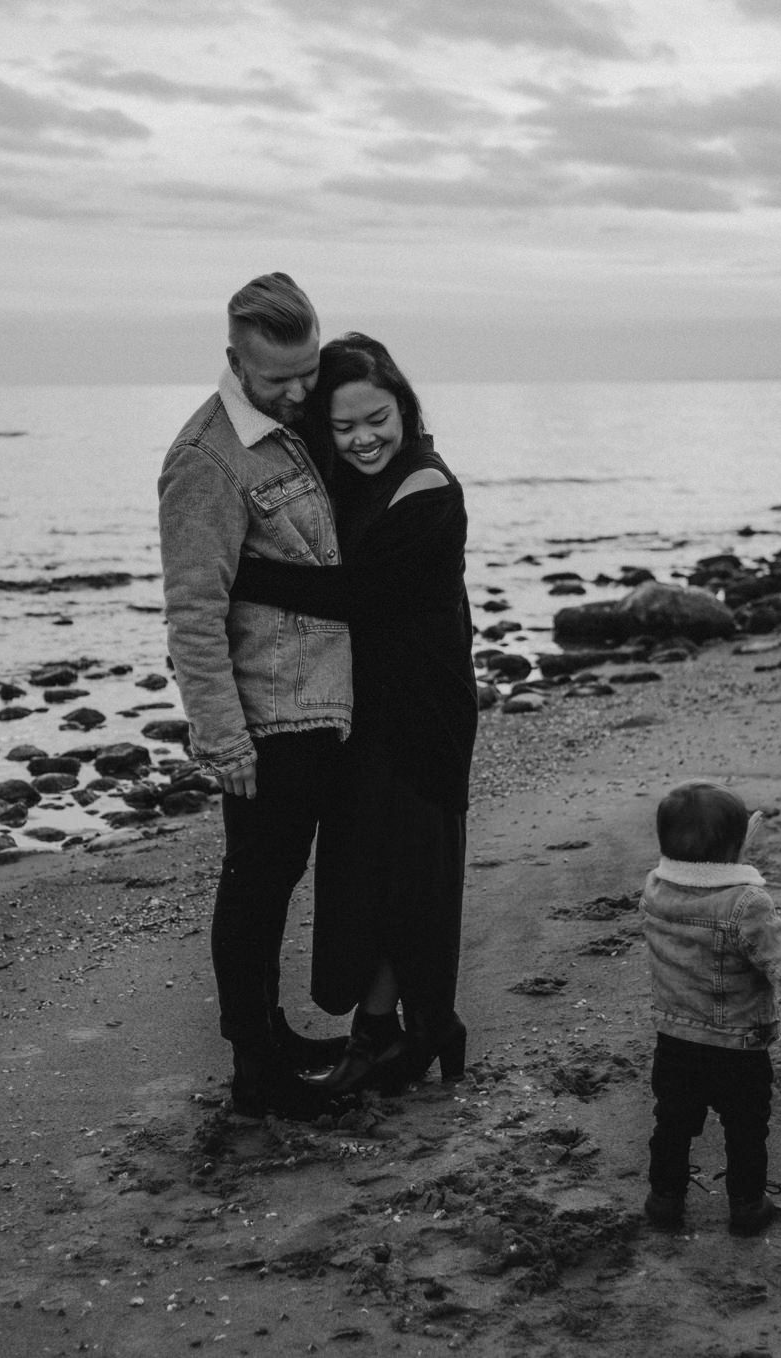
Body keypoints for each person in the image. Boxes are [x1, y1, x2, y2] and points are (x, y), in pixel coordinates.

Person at [228, 334, 478, 1094]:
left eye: (379, 418)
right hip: (362, 706)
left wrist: (241, 569)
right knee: (368, 876)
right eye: (344, 427)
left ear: (403, 405)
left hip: (424, 710)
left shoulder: (428, 488)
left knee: (409, 878)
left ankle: (388, 1034)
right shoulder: (337, 482)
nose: (366, 438)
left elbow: (360, 596)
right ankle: (391, 1030)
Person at [158, 272, 355, 1121]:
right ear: (234, 360)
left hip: (320, 703)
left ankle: (272, 1035)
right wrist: (224, 739)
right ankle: (255, 1070)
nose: (299, 389)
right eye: (279, 378)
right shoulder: (206, 461)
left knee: (277, 881)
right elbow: (194, 613)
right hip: (270, 716)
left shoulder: (294, 427)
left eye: (307, 370)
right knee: (255, 887)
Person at [636, 780, 781, 1236]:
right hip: (737, 1045)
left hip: (675, 1040)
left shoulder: (655, 888)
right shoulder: (747, 903)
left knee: (673, 1123)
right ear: (736, 849)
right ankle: (746, 1206)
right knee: (745, 1130)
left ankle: (664, 1199)